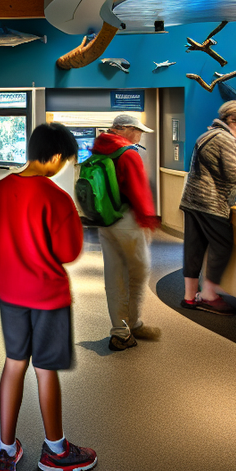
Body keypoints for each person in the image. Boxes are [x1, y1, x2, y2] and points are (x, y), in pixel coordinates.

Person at [0, 123, 97, 471]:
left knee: (14, 363)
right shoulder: (56, 198)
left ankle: (5, 451)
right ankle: (56, 451)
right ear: (57, 157)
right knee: (45, 370)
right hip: (47, 296)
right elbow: (69, 251)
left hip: (10, 293)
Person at [180, 100, 236, 315]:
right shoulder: (225, 139)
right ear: (233, 120)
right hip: (211, 203)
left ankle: (189, 297)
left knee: (194, 248)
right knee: (222, 245)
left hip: (192, 200)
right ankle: (209, 295)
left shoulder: (207, 134)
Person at [92, 113, 162, 351]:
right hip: (128, 221)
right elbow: (138, 191)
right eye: (137, 130)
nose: (140, 134)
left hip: (106, 221)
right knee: (138, 273)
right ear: (122, 129)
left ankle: (121, 330)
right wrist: (148, 220)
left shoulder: (99, 148)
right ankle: (131, 324)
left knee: (114, 275)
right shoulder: (128, 153)